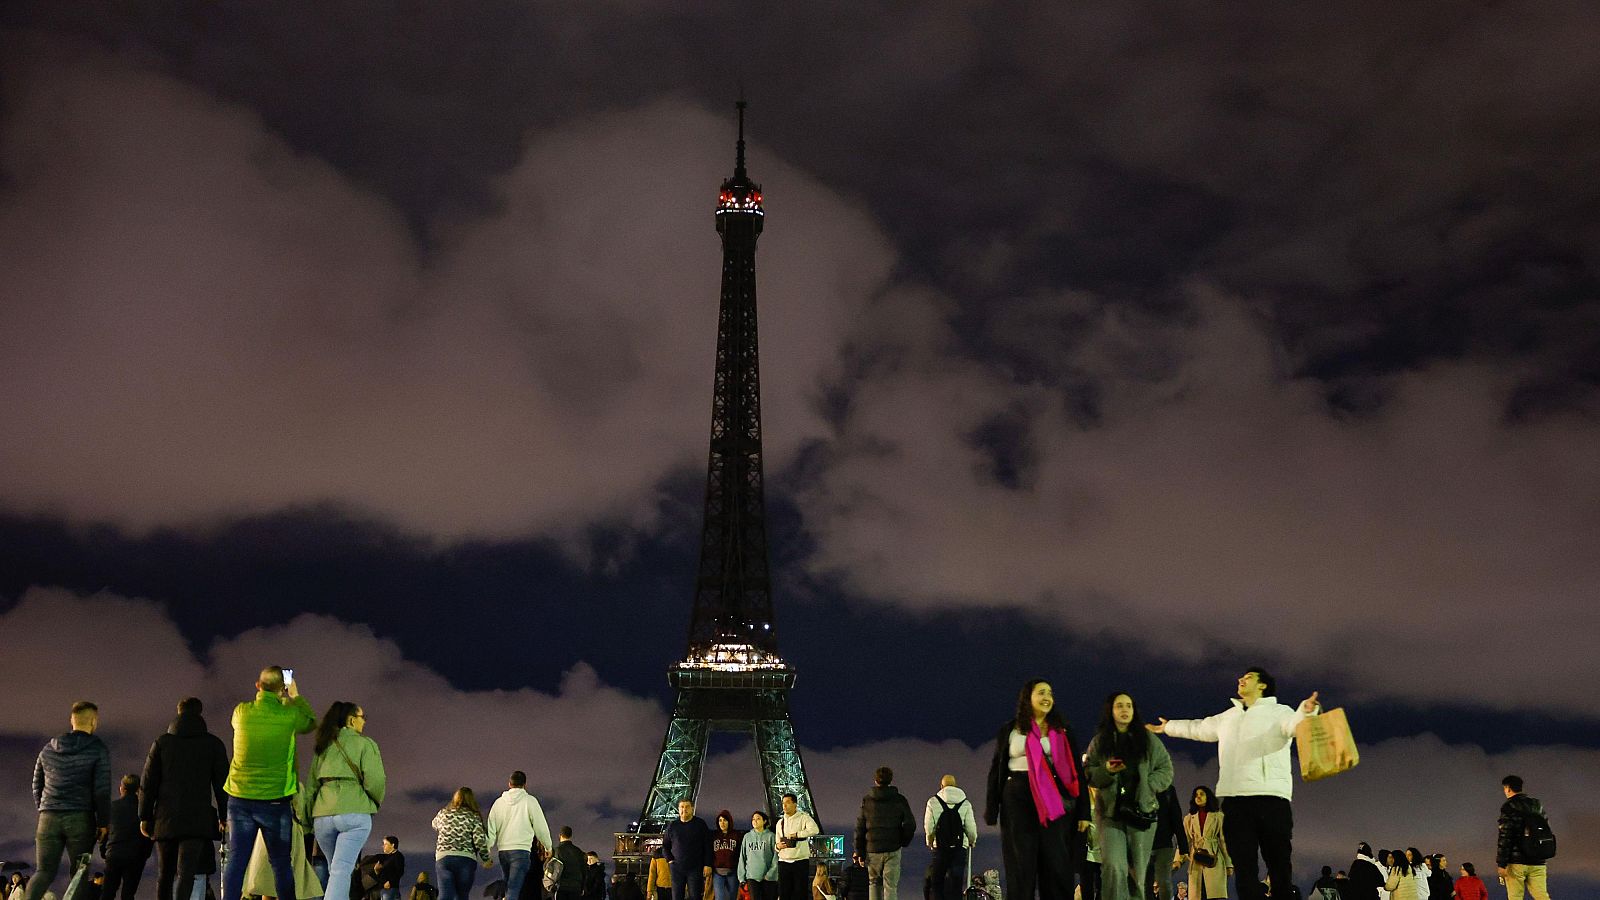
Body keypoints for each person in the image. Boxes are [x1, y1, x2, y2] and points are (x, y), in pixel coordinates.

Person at [1148, 669, 1319, 900]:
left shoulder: (1280, 712)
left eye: (1248, 678)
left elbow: (1295, 724)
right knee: (1244, 871)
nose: (1240, 680)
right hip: (1235, 801)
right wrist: (1168, 727)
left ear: (1262, 686)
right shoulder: (1229, 716)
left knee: (1279, 868)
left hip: (1271, 798)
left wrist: (1307, 712)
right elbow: (1199, 728)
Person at [983, 680, 1088, 900]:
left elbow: (1077, 771)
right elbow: (997, 768)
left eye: (1050, 692)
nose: (1047, 696)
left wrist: (1083, 812)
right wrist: (991, 807)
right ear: (1028, 698)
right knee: (1021, 865)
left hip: (1054, 801)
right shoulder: (1010, 729)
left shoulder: (1063, 732)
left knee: (1056, 864)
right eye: (1041, 692)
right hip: (1017, 799)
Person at [222, 667, 316, 900]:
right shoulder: (289, 716)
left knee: (236, 860)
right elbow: (311, 722)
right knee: (281, 863)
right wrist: (294, 696)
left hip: (240, 797)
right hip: (276, 801)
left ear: (257, 685)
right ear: (282, 689)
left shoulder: (241, 712)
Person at [1085, 693, 1173, 900]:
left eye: (1129, 706)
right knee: (1114, 867)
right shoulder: (1100, 741)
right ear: (1111, 711)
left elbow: (1166, 769)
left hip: (1142, 814)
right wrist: (1106, 770)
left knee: (1138, 874)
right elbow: (1088, 773)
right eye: (1119, 706)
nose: (1124, 710)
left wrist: (1149, 786)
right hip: (1110, 814)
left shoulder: (1148, 740)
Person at [25, 701, 112, 900]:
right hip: (81, 819)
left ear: (71, 720)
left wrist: (45, 808)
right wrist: (103, 822)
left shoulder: (48, 748)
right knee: (79, 874)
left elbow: (36, 784)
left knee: (43, 871)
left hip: (48, 818)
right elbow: (102, 790)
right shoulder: (97, 748)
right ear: (93, 721)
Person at [308, 702, 386, 900]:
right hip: (354, 811)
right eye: (363, 717)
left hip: (323, 815)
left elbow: (311, 786)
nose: (364, 721)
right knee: (341, 870)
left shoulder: (323, 746)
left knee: (336, 869)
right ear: (352, 720)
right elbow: (375, 781)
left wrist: (307, 819)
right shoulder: (365, 744)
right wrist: (374, 803)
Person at [485, 772, 552, 900]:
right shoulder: (530, 801)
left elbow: (491, 829)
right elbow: (540, 826)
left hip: (503, 852)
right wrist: (548, 847)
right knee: (514, 889)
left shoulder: (498, 803)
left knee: (510, 886)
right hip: (521, 851)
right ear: (525, 785)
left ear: (509, 784)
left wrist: (487, 849)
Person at [854, 767, 916, 900]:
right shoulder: (900, 800)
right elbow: (910, 824)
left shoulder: (867, 800)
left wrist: (859, 851)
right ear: (891, 780)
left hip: (872, 849)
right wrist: (903, 841)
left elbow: (860, 827)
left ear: (875, 780)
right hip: (892, 848)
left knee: (874, 883)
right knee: (891, 886)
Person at [1496, 775, 1552, 900]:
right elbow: (1546, 828)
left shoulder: (1509, 806)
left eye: (1505, 789)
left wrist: (1501, 863)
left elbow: (1505, 836)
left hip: (1516, 862)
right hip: (1538, 860)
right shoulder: (1537, 805)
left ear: (1508, 788)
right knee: (1542, 896)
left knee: (1515, 897)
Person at [432, 788, 492, 900]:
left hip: (444, 857)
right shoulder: (473, 816)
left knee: (445, 895)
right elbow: (479, 840)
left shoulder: (443, 813)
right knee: (462, 896)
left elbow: (434, 824)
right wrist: (486, 859)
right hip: (466, 859)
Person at [99, 775, 152, 900]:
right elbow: (147, 835)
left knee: (107, 893)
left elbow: (104, 833)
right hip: (135, 856)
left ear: (122, 788)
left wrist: (104, 851)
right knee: (128, 894)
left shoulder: (111, 808)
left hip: (114, 853)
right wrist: (145, 854)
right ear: (138, 790)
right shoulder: (143, 810)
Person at [924, 776, 977, 900]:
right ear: (955, 786)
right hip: (959, 848)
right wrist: (972, 840)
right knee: (956, 884)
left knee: (937, 883)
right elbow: (970, 827)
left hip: (940, 848)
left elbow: (929, 826)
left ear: (942, 786)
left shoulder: (933, 802)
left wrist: (930, 841)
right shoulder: (965, 803)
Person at [1179, 787, 1227, 900]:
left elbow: (1224, 841)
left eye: (1202, 794)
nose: (1198, 797)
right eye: (1196, 795)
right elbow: (1184, 841)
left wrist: (1229, 864)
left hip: (1213, 857)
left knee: (1214, 894)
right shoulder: (1188, 819)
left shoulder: (1218, 817)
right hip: (1196, 860)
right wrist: (1178, 860)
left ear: (1208, 797)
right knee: (1198, 894)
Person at [663, 801, 713, 900]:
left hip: (695, 868)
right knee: (677, 897)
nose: (684, 809)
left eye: (687, 807)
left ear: (692, 809)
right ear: (678, 809)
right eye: (682, 807)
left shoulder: (700, 824)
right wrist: (669, 859)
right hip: (677, 868)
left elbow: (707, 845)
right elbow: (665, 845)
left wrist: (708, 864)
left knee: (695, 896)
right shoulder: (672, 826)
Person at [775, 796, 819, 900]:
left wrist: (797, 834)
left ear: (795, 804)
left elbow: (815, 830)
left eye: (787, 803)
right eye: (783, 803)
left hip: (800, 860)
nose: (784, 806)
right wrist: (778, 846)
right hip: (783, 861)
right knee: (784, 893)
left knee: (800, 892)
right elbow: (777, 842)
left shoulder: (804, 818)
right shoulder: (780, 822)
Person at [1147, 785, 1187, 900]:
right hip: (1144, 844)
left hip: (1162, 843)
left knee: (1163, 882)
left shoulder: (1167, 789)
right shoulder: (1139, 785)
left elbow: (1176, 817)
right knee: (1146, 883)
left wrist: (1183, 846)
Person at [737, 811, 778, 900]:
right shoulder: (747, 837)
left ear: (764, 821)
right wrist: (742, 878)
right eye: (753, 819)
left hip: (769, 878)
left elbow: (776, 856)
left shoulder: (771, 836)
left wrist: (771, 874)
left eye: (758, 819)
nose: (755, 821)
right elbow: (742, 857)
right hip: (752, 876)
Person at [710, 812, 742, 900]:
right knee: (720, 897)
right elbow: (710, 853)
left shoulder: (737, 835)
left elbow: (740, 853)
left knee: (733, 897)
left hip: (732, 871)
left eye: (724, 820)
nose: (722, 823)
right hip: (717, 872)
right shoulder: (714, 835)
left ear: (729, 821)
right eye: (720, 820)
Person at [552, 828, 586, 900]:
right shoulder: (579, 851)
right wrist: (582, 887)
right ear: (570, 836)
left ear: (560, 835)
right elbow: (584, 870)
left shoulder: (557, 851)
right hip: (576, 887)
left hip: (561, 886)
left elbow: (552, 869)